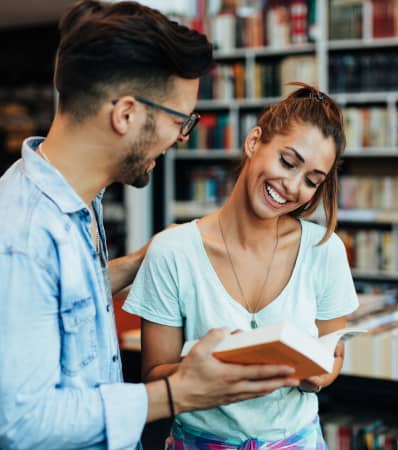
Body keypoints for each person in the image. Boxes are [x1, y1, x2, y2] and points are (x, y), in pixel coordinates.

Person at [0, 2, 300, 449]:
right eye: (181, 121)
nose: (181, 138)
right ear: (125, 114)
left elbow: (52, 305)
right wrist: (179, 394)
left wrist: (138, 262)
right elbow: (22, 423)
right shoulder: (23, 235)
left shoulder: (68, 201)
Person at [123, 82, 359, 449]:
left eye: (312, 181)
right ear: (253, 142)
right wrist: (215, 368)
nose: (292, 186)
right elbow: (155, 377)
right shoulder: (173, 252)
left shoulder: (324, 251)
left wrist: (318, 374)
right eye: (287, 162)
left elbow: (335, 352)